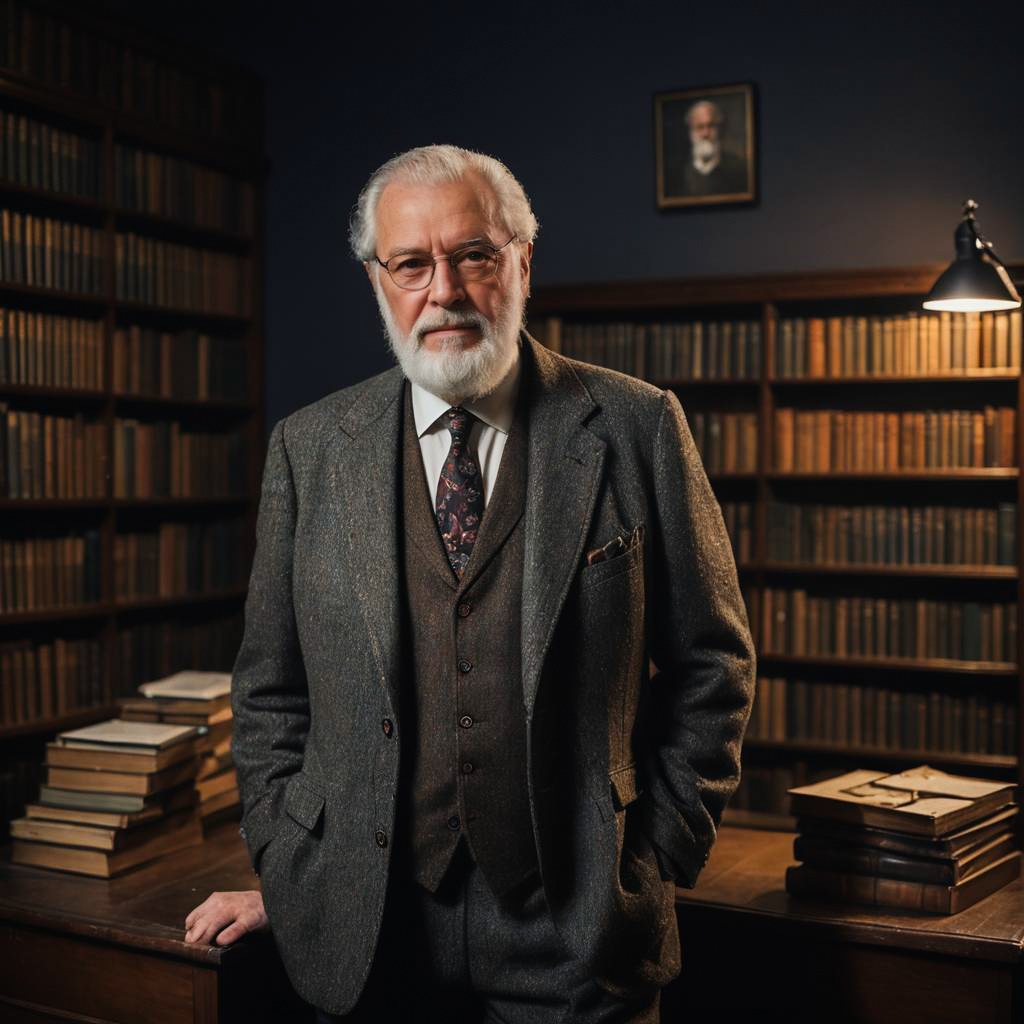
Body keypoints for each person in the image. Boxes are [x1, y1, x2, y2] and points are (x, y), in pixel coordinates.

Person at [185, 144, 755, 1022]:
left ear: (523, 260)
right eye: (412, 263)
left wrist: (654, 858)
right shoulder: (310, 448)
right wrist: (293, 867)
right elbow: (270, 689)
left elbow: (713, 664)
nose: (443, 290)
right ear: (379, 280)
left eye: (473, 255)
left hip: (575, 936)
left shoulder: (638, 427)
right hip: (369, 938)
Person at [664, 99, 749, 199]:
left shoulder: (739, 168)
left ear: (720, 129)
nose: (705, 133)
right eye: (699, 127)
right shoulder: (676, 171)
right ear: (690, 132)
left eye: (711, 126)